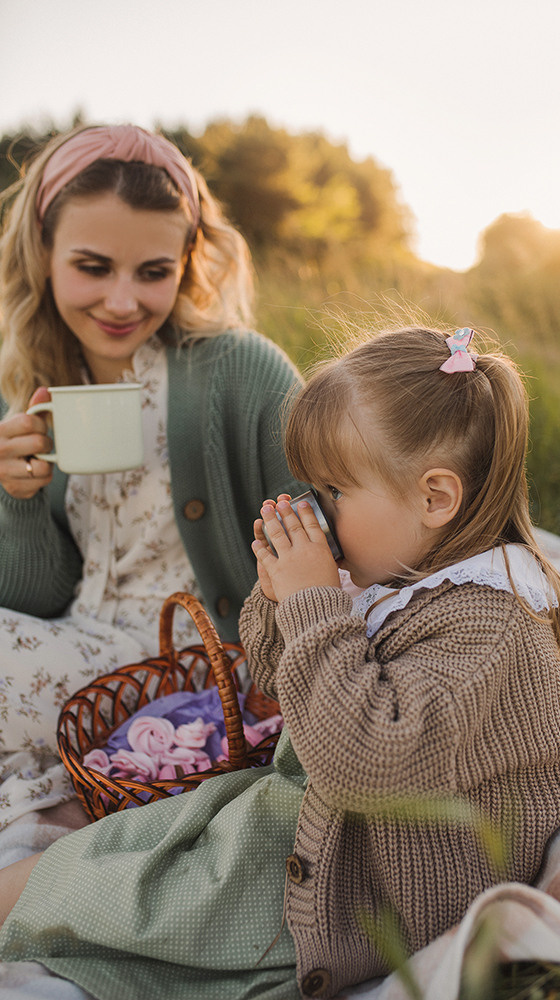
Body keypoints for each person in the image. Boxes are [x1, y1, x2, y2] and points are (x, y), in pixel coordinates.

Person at [0, 325, 560, 1000]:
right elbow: (281, 679)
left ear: (434, 499)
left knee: (121, 903)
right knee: (109, 848)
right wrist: (282, 591)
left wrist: (314, 603)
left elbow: (366, 767)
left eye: (335, 491)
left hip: (357, 891)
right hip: (314, 821)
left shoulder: (489, 626)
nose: (319, 508)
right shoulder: (398, 569)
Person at [0, 123, 303, 827]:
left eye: (152, 272)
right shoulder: (29, 394)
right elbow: (37, 598)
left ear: (187, 263)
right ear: (43, 255)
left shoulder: (239, 370)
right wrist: (14, 502)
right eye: (93, 267)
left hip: (203, 667)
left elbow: (320, 524)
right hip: (80, 652)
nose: (121, 301)